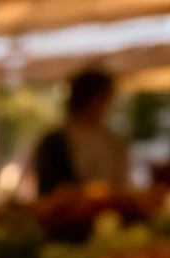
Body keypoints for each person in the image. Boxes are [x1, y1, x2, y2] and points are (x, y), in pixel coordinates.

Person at [32, 68, 130, 196]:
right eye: (102, 99)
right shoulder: (55, 142)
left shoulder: (112, 141)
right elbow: (50, 192)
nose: (107, 106)